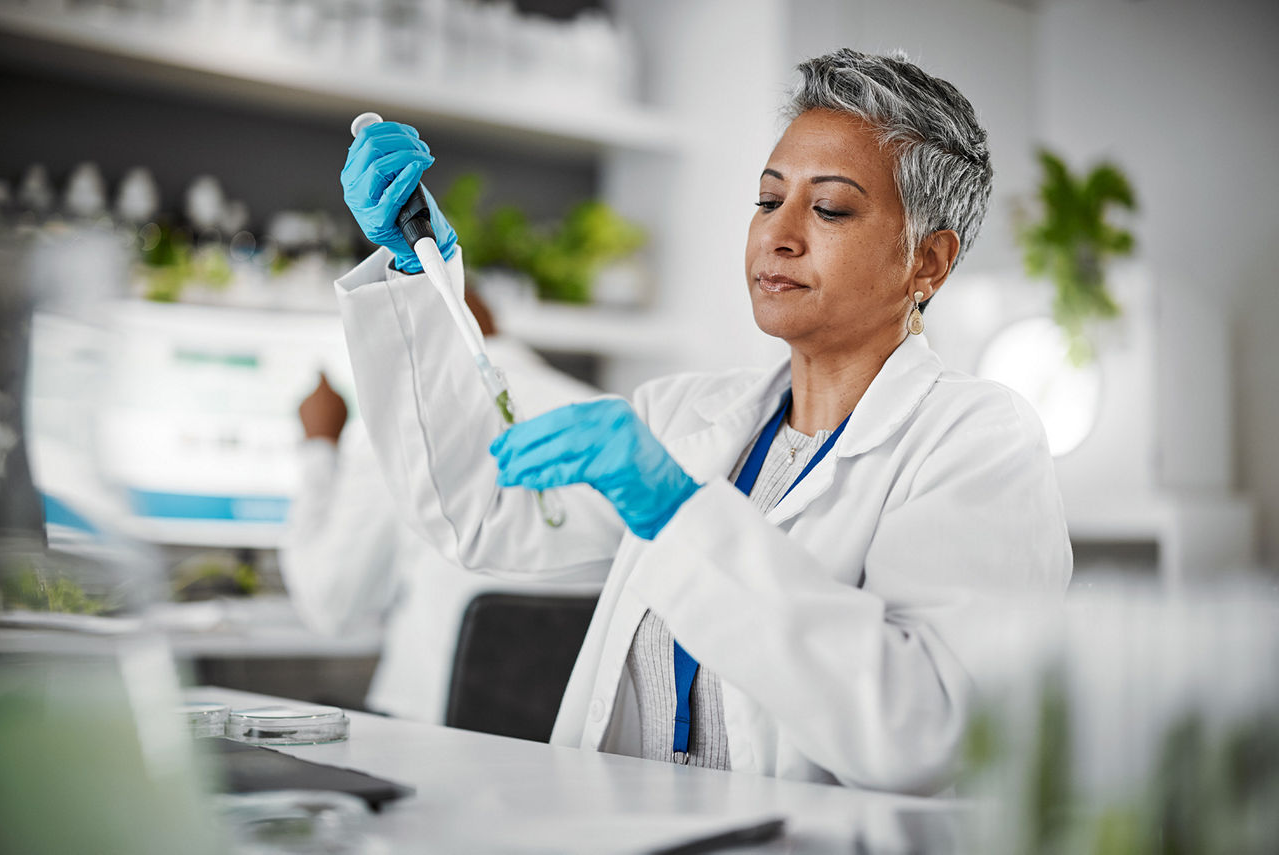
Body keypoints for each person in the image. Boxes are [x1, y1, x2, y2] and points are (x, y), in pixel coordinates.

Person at [334, 48, 1072, 793]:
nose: (778, 234)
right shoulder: (685, 416)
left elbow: (927, 730)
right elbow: (478, 513)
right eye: (767, 199)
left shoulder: (979, 441)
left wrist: (679, 511)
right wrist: (414, 272)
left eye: (830, 208)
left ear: (929, 262)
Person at [278, 292, 603, 724]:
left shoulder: (407, 432)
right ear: (488, 314)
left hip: (433, 744)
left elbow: (329, 607)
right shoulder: (607, 418)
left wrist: (319, 446)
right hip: (573, 746)